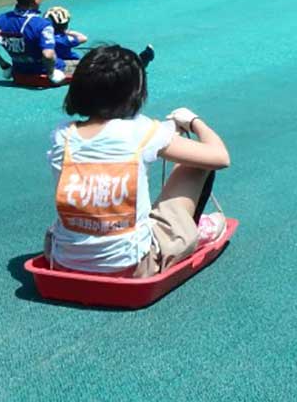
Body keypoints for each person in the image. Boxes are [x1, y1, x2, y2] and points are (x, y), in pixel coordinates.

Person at [43, 44, 230, 279]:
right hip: (133, 264)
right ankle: (188, 230)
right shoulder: (141, 131)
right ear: (135, 93)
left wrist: (168, 129)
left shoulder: (62, 135)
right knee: (197, 165)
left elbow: (114, 138)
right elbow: (220, 157)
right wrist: (193, 121)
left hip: (63, 260)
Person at [43, 5, 88, 69]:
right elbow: (84, 38)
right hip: (69, 62)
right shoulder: (66, 39)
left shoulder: (43, 38)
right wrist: (68, 32)